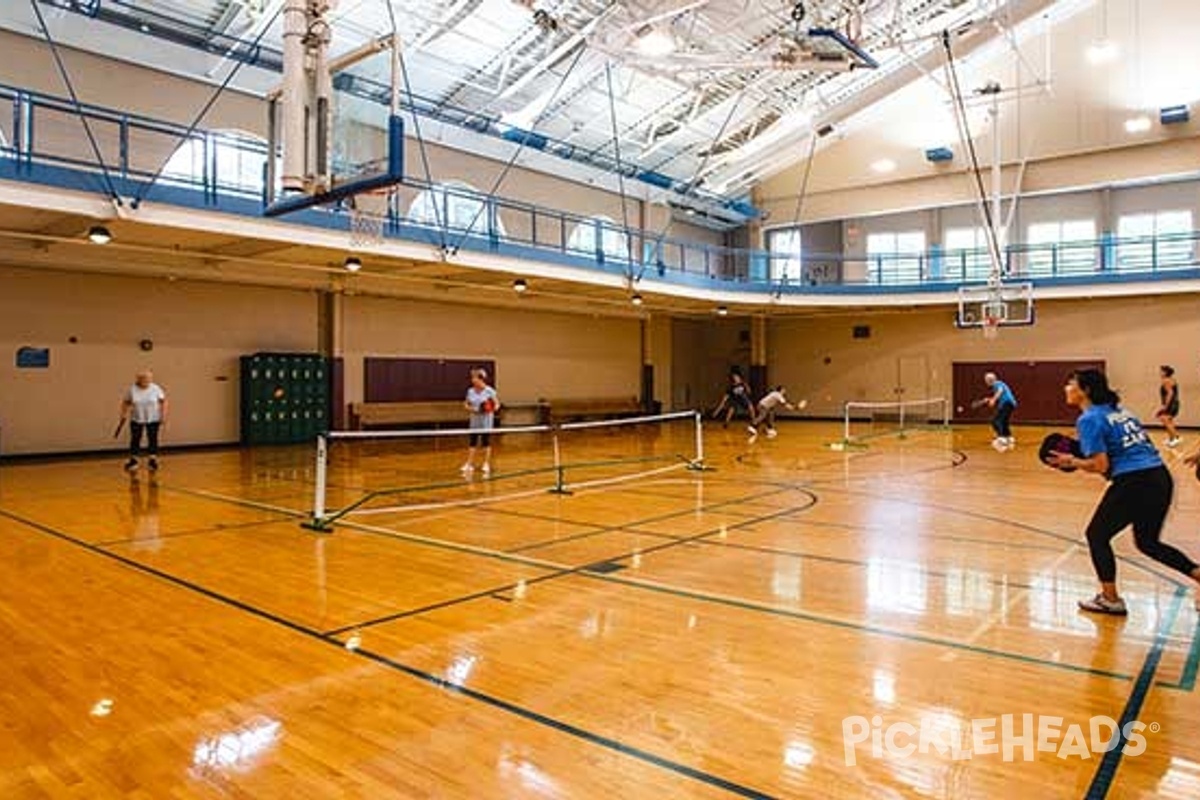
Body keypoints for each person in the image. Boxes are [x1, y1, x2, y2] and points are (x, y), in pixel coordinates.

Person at [1047, 369, 1200, 615]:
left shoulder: (1088, 419)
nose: (1066, 387)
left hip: (1135, 482)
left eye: (1070, 383)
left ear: (1084, 390)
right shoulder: (1122, 412)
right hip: (1160, 477)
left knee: (1096, 535)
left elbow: (1101, 465)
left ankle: (1111, 599)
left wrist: (1072, 462)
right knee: (1148, 543)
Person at [120, 370, 168, 473]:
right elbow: (125, 402)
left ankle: (152, 460)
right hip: (137, 418)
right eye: (143, 378)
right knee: (135, 439)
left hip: (153, 417)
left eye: (148, 378)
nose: (146, 380)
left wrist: (163, 415)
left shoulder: (156, 388)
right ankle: (134, 461)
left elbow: (163, 401)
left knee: (153, 438)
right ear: (138, 379)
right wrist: (123, 413)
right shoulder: (132, 389)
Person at [462, 368, 499, 476]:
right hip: (474, 420)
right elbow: (465, 404)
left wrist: (490, 408)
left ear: (481, 379)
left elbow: (497, 404)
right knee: (472, 442)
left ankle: (486, 463)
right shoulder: (470, 391)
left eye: (474, 377)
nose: (473, 380)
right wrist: (471, 409)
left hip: (486, 421)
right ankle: (469, 464)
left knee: (485, 442)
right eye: (472, 377)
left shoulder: (490, 391)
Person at [982, 372, 1017, 452]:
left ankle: (1001, 438)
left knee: (995, 421)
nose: (985, 381)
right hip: (1011, 404)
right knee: (1004, 421)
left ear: (990, 380)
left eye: (986, 380)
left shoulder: (997, 384)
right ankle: (1009, 437)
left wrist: (993, 400)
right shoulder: (999, 384)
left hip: (1006, 403)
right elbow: (1000, 394)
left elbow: (1000, 391)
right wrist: (988, 399)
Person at [1156, 365, 1182, 447]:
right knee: (1169, 421)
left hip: (1171, 404)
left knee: (1165, 420)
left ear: (1165, 372)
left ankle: (1175, 439)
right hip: (1174, 403)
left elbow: (1170, 394)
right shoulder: (1171, 380)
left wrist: (1165, 406)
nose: (1160, 372)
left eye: (1161, 371)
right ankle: (1172, 438)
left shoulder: (1166, 381)